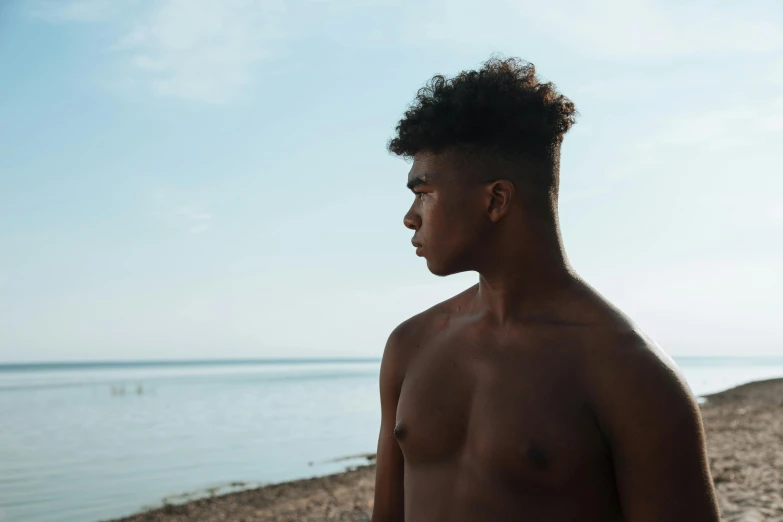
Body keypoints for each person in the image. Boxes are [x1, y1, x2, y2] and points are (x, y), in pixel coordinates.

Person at [371, 56, 720, 522]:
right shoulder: (409, 346)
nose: (410, 216)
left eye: (424, 192)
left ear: (496, 199)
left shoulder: (628, 372)